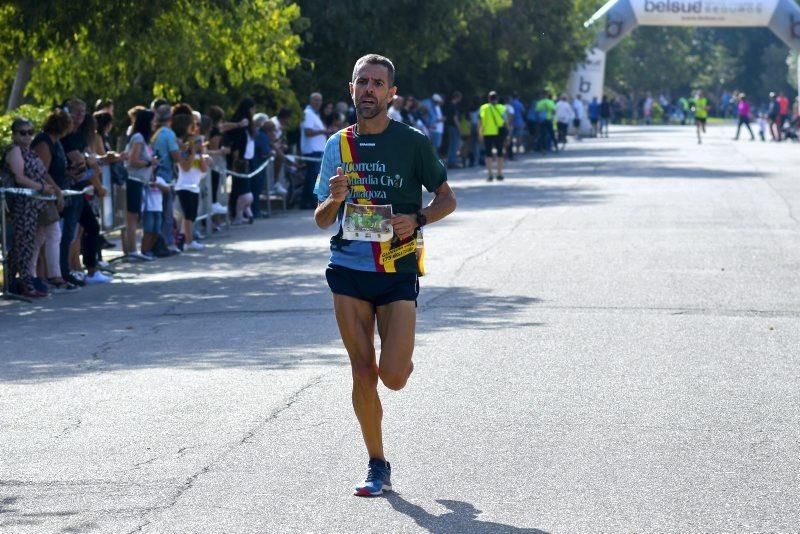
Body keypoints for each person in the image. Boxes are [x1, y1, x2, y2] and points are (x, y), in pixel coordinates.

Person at [314, 53, 457, 497]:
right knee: (362, 372)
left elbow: (447, 198)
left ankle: (399, 357)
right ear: (351, 89)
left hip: (397, 267)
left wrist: (418, 219)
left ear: (392, 93)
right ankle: (377, 463)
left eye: (378, 83)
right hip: (349, 268)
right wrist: (335, 200)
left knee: (392, 376)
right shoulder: (337, 145)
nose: (369, 89)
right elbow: (321, 219)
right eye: (363, 82)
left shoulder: (412, 142)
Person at [2, 118, 57, 297]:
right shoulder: (14, 150)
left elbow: (42, 173)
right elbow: (19, 177)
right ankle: (25, 285)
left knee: (25, 245)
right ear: (14, 134)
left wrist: (49, 189)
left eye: (29, 132)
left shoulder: (29, 151)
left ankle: (14, 283)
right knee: (22, 245)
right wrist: (41, 188)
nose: (26, 136)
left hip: (33, 206)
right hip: (20, 206)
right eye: (22, 133)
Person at [31, 109, 75, 291]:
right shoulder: (44, 142)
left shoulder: (55, 143)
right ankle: (54, 275)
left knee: (40, 236)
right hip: (42, 195)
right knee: (53, 234)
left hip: (49, 193)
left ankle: (32, 275)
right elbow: (42, 171)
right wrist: (57, 191)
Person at [124, 109, 159, 260]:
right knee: (132, 217)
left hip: (140, 182)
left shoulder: (142, 139)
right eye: (153, 120)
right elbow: (133, 161)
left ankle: (131, 250)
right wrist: (150, 162)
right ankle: (132, 251)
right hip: (134, 181)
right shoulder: (138, 137)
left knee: (134, 217)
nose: (155, 123)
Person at [174, 113, 210, 250]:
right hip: (184, 186)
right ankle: (189, 242)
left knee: (193, 215)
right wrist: (192, 151)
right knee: (187, 215)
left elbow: (204, 169)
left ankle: (188, 240)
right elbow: (185, 167)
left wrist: (200, 155)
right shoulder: (184, 153)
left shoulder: (199, 154)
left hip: (194, 187)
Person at [152, 104, 182, 254]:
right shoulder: (169, 134)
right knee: (167, 213)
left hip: (156, 175)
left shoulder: (155, 133)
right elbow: (175, 156)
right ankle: (168, 243)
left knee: (159, 213)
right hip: (165, 176)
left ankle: (159, 243)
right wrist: (184, 150)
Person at [300, 92, 327, 209]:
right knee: (313, 178)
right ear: (310, 101)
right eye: (315, 100)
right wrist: (324, 131)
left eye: (320, 100)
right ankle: (310, 202)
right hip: (312, 151)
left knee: (311, 178)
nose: (318, 103)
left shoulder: (314, 114)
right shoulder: (308, 113)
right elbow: (308, 132)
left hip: (317, 150)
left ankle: (305, 202)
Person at [479, 91, 508, 182]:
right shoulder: (502, 107)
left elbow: (481, 121)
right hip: (499, 133)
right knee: (500, 153)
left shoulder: (484, 108)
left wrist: (480, 132)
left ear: (488, 98)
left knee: (488, 154)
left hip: (488, 133)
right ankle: (499, 173)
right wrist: (508, 132)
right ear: (497, 99)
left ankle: (490, 174)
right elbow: (506, 120)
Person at [443, 91, 462, 168]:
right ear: (457, 97)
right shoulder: (454, 106)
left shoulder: (448, 105)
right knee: (455, 144)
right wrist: (459, 127)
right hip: (453, 126)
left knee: (451, 144)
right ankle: (452, 162)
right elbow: (455, 118)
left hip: (448, 126)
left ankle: (450, 161)